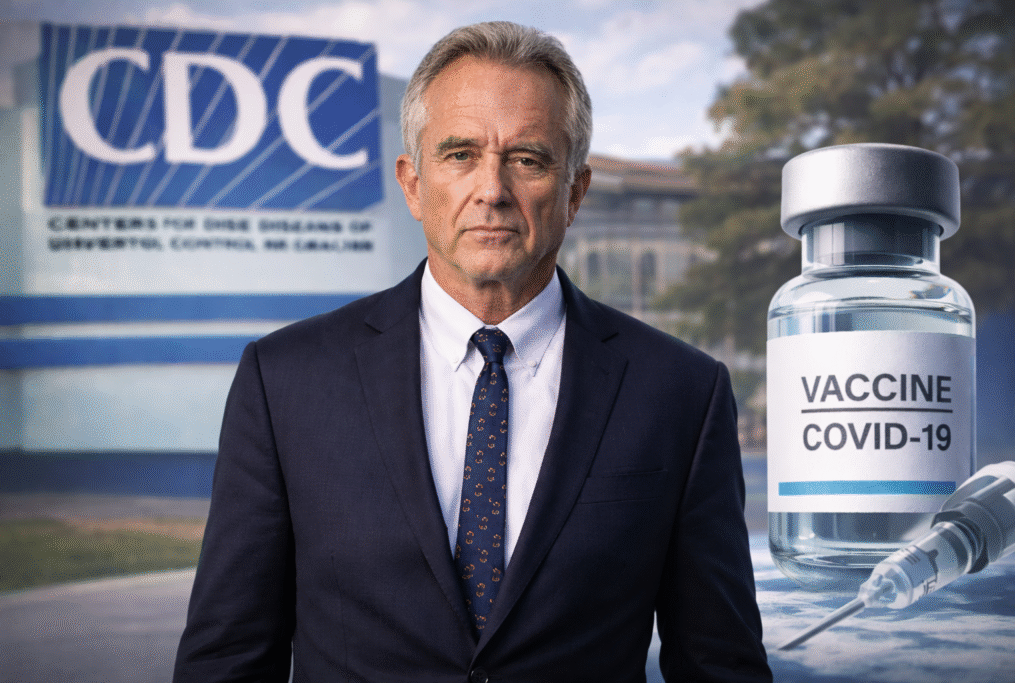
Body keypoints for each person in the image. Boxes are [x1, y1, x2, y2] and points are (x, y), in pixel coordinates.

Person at [174, 21, 771, 683]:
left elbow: (722, 666)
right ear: (412, 184)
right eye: (460, 154)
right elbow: (227, 659)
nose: (492, 189)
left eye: (528, 158)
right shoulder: (284, 382)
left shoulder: (681, 394)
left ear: (575, 192)